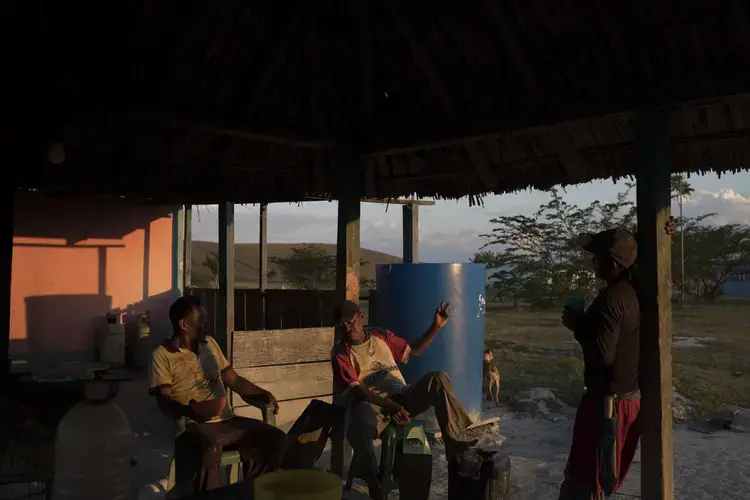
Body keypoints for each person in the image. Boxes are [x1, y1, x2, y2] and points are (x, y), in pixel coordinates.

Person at [558, 218, 676, 499]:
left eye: (596, 258)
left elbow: (602, 354)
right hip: (623, 399)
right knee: (600, 477)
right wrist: (663, 230)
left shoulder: (613, 298)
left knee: (589, 481)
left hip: (609, 406)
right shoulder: (631, 289)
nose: (592, 264)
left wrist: (578, 325)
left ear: (612, 263)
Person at [331, 300, 478, 500]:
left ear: (360, 317)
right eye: (342, 325)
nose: (347, 328)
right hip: (373, 403)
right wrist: (391, 406)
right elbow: (358, 391)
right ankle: (374, 482)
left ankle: (452, 442)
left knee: (438, 378)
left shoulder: (380, 335)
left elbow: (414, 349)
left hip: (402, 394)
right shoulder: (341, 352)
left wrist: (435, 326)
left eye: (350, 322)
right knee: (358, 427)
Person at [149, 296, 287, 492]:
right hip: (194, 425)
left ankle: (255, 491)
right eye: (201, 320)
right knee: (209, 446)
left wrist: (263, 393)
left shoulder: (210, 345)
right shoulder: (161, 355)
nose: (206, 324)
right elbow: (163, 401)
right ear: (184, 324)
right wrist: (191, 411)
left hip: (227, 421)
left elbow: (234, 380)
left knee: (275, 438)